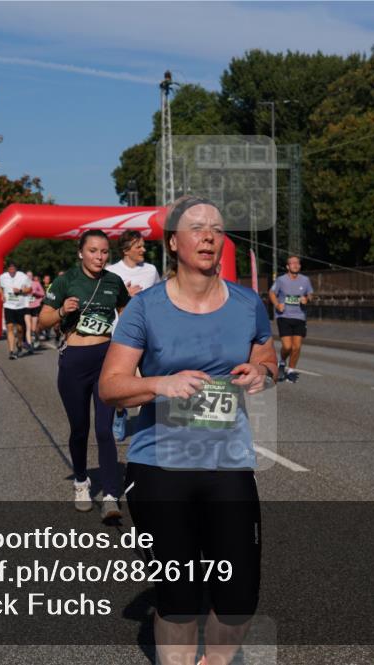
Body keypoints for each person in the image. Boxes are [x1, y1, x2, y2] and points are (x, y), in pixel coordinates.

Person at [99, 196, 277, 665]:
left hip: (229, 465)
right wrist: (160, 383)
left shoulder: (247, 303)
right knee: (178, 598)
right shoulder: (145, 308)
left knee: (239, 596)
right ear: (173, 242)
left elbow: (266, 353)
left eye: (217, 227)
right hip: (160, 467)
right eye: (197, 227)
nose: (209, 235)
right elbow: (111, 386)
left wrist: (262, 371)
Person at [40, 230, 130, 519]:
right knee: (79, 429)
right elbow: (43, 320)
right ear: (81, 252)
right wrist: (62, 311)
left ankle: (111, 495)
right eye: (93, 251)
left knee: (104, 430)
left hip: (106, 359)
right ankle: (81, 481)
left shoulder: (113, 282)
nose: (99, 257)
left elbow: (127, 312)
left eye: (104, 252)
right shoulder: (65, 281)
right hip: (74, 361)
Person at [106, 230, 162, 441]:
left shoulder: (151, 270)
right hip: (121, 334)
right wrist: (125, 296)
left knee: (146, 379)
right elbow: (104, 302)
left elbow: (159, 296)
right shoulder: (111, 272)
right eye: (139, 246)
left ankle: (147, 425)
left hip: (148, 333)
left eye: (143, 245)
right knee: (123, 380)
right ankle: (120, 412)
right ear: (126, 250)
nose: (143, 250)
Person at [268, 256, 313, 383]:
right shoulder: (281, 280)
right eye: (292, 263)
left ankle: (291, 370)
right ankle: (282, 362)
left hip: (299, 317)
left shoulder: (305, 280)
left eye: (297, 263)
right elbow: (271, 293)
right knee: (287, 347)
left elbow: (310, 294)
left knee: (296, 347)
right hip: (284, 316)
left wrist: (307, 299)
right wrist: (277, 304)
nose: (295, 265)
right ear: (287, 266)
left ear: (300, 266)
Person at [0, 262, 32, 359]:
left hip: (20, 306)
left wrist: (20, 291)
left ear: (16, 269)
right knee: (10, 327)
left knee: (20, 329)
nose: (11, 270)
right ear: (7, 269)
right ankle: (11, 352)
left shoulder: (23, 276)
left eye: (13, 268)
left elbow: (29, 289)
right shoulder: (2, 277)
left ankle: (19, 344)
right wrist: (1, 295)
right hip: (8, 306)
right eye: (10, 268)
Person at [28, 273, 45, 348]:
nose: (29, 277)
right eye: (27, 275)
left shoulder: (36, 283)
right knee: (28, 326)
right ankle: (29, 341)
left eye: (30, 275)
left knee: (33, 327)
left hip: (35, 306)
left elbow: (43, 293)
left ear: (32, 276)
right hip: (26, 307)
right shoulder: (23, 284)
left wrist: (35, 293)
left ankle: (35, 340)